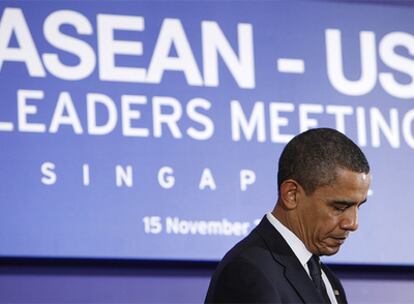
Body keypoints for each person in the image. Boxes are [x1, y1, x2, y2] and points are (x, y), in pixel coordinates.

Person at [205, 128, 371, 304]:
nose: (353, 223)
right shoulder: (247, 272)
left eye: (358, 206)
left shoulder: (329, 282)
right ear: (291, 194)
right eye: (339, 207)